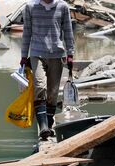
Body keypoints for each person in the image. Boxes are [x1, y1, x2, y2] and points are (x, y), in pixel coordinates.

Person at [20, 0, 75, 140]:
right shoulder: (30, 7)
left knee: (53, 92)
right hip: (37, 52)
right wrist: (23, 55)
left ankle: (49, 125)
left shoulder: (62, 7)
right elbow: (27, 32)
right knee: (40, 86)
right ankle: (43, 126)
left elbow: (68, 30)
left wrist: (70, 54)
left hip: (57, 54)